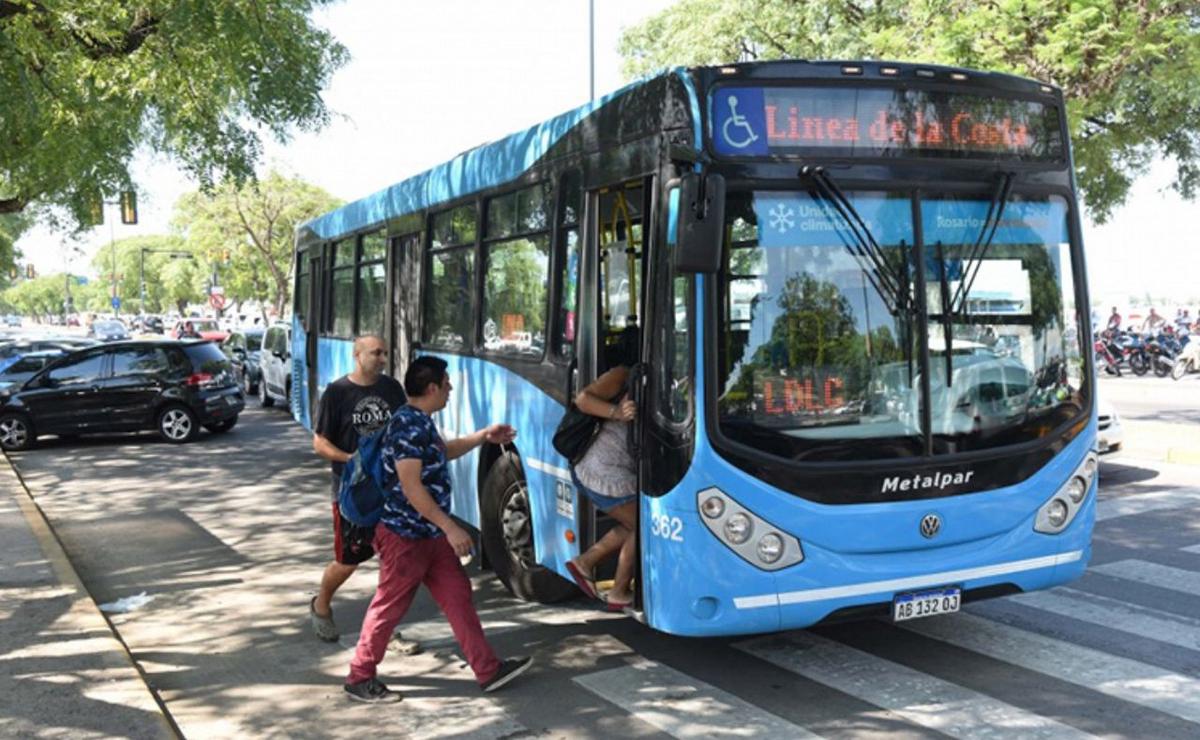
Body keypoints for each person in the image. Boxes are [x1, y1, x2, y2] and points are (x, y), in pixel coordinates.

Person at [344, 355, 532, 703]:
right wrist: (451, 528)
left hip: (429, 536)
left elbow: (440, 453)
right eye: (446, 384)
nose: (450, 389)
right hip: (405, 537)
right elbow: (411, 486)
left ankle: (487, 670)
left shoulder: (419, 422)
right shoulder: (407, 425)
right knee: (389, 607)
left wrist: (482, 437)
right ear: (431, 388)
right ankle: (359, 675)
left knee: (458, 598)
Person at [310, 335, 418, 655]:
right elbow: (319, 443)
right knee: (347, 562)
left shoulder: (391, 389)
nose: (382, 358)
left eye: (384, 352)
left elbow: (404, 426)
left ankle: (385, 628)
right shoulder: (338, 392)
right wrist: (350, 459)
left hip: (389, 489)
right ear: (358, 356)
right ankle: (321, 605)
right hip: (352, 492)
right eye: (376, 353)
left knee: (393, 561)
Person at [564, 328, 639, 612]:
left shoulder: (654, 375)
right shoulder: (622, 373)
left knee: (634, 523)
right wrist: (617, 413)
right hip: (601, 470)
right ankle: (619, 591)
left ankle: (585, 563)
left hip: (616, 467)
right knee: (643, 526)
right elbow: (583, 399)